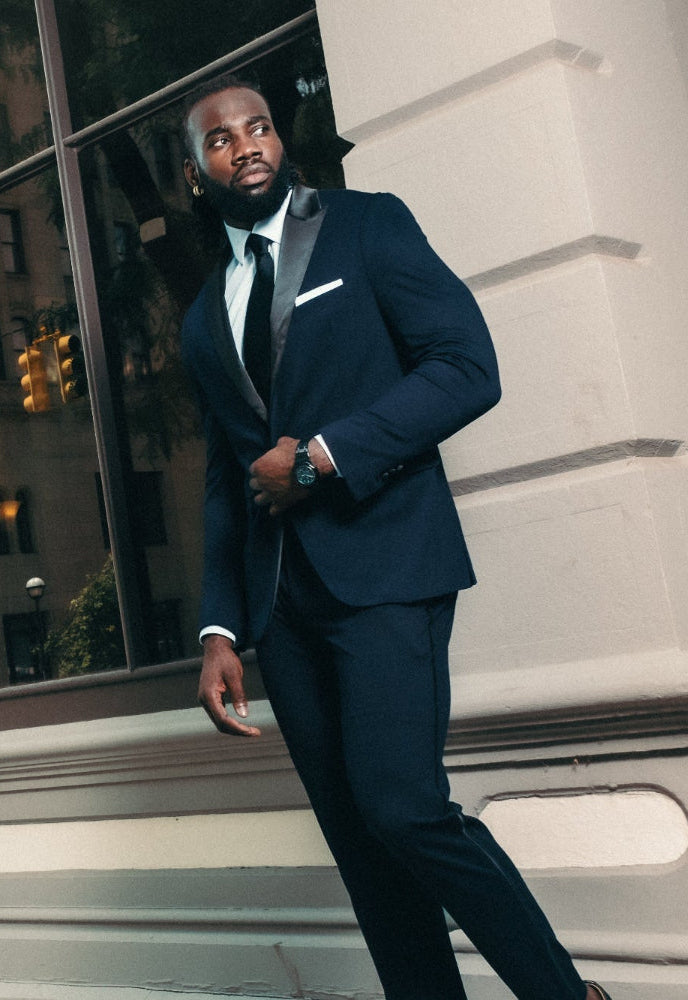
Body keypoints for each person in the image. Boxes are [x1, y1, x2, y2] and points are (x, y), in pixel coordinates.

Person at [179, 74, 614, 1000]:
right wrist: (220, 629)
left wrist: (323, 459)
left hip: (386, 566)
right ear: (195, 172)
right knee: (361, 842)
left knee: (403, 807)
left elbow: (467, 367)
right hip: (281, 608)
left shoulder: (368, 225)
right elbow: (225, 481)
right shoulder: (200, 317)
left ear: (280, 141)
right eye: (221, 139)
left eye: (259, 127)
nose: (245, 145)